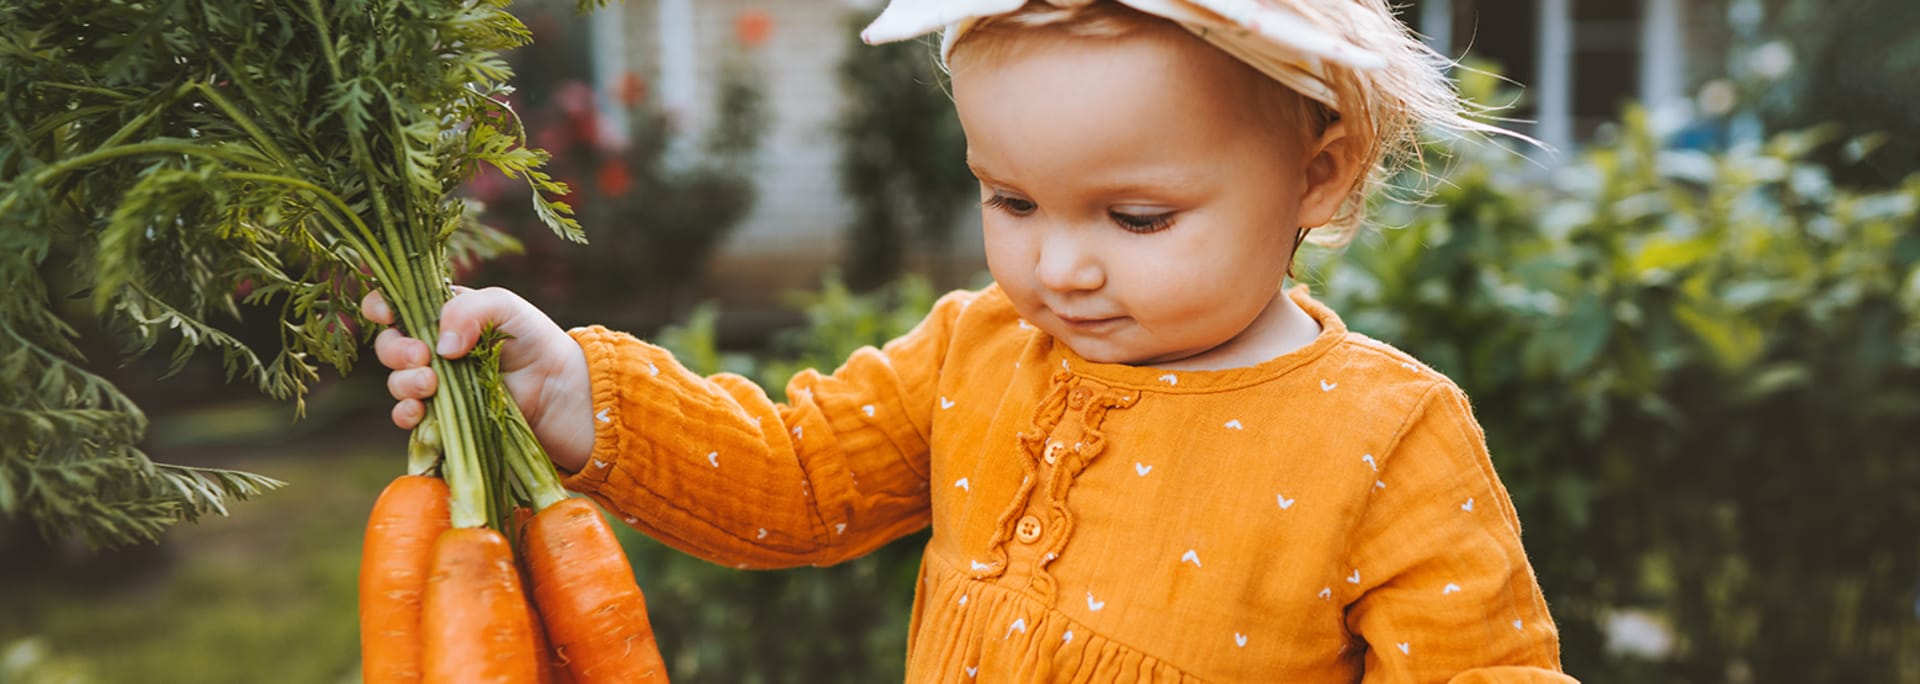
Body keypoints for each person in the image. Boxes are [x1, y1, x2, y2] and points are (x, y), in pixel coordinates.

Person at [364, 0, 1576, 680]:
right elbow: (791, 478)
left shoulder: (1385, 434)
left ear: (1320, 173)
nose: (1060, 263)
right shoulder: (980, 351)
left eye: (1137, 216)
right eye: (1012, 201)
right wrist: (570, 386)